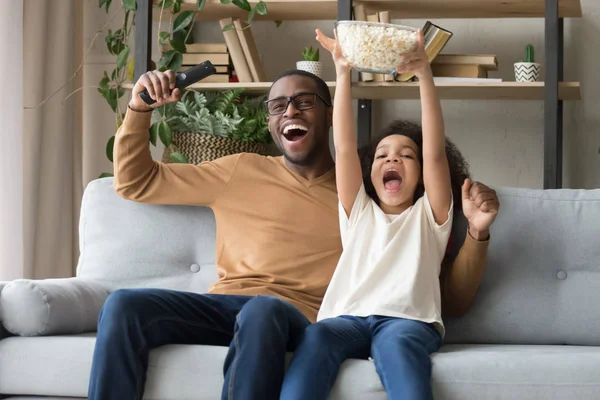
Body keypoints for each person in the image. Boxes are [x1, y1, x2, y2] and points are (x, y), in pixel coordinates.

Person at [87, 62, 498, 399]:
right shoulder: (239, 169)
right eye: (278, 105)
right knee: (125, 305)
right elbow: (134, 182)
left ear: (330, 113)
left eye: (304, 102)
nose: (290, 112)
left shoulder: (361, 199)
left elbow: (447, 297)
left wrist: (477, 235)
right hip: (225, 307)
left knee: (262, 310)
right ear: (269, 122)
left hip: (292, 317)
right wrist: (139, 110)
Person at [279, 29, 494, 400]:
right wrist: (343, 72)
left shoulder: (431, 215)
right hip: (345, 319)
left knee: (397, 350)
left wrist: (425, 75)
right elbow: (344, 147)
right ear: (370, 172)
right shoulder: (358, 210)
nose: (392, 158)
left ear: (423, 174)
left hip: (409, 322)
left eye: (406, 155)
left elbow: (436, 153)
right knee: (315, 338)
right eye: (382, 155)